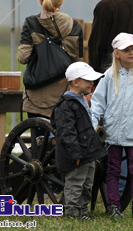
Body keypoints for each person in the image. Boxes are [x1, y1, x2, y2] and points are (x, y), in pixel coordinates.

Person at [91, 33, 133, 220]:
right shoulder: (108, 76)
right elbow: (97, 103)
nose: (131, 52)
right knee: (113, 170)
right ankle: (114, 206)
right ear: (117, 54)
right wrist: (94, 125)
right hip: (113, 134)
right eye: (126, 50)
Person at [18, 0, 83, 124]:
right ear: (61, 1)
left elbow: (23, 57)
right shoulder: (75, 26)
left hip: (36, 99)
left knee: (39, 143)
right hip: (64, 96)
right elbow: (78, 62)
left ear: (40, 0)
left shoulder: (31, 23)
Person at [51, 62, 107, 220]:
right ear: (75, 82)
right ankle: (71, 213)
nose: (92, 83)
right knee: (75, 183)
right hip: (76, 155)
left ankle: (83, 211)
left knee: (87, 184)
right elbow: (67, 132)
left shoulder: (82, 100)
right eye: (88, 80)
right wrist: (75, 153)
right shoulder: (65, 106)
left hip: (87, 153)